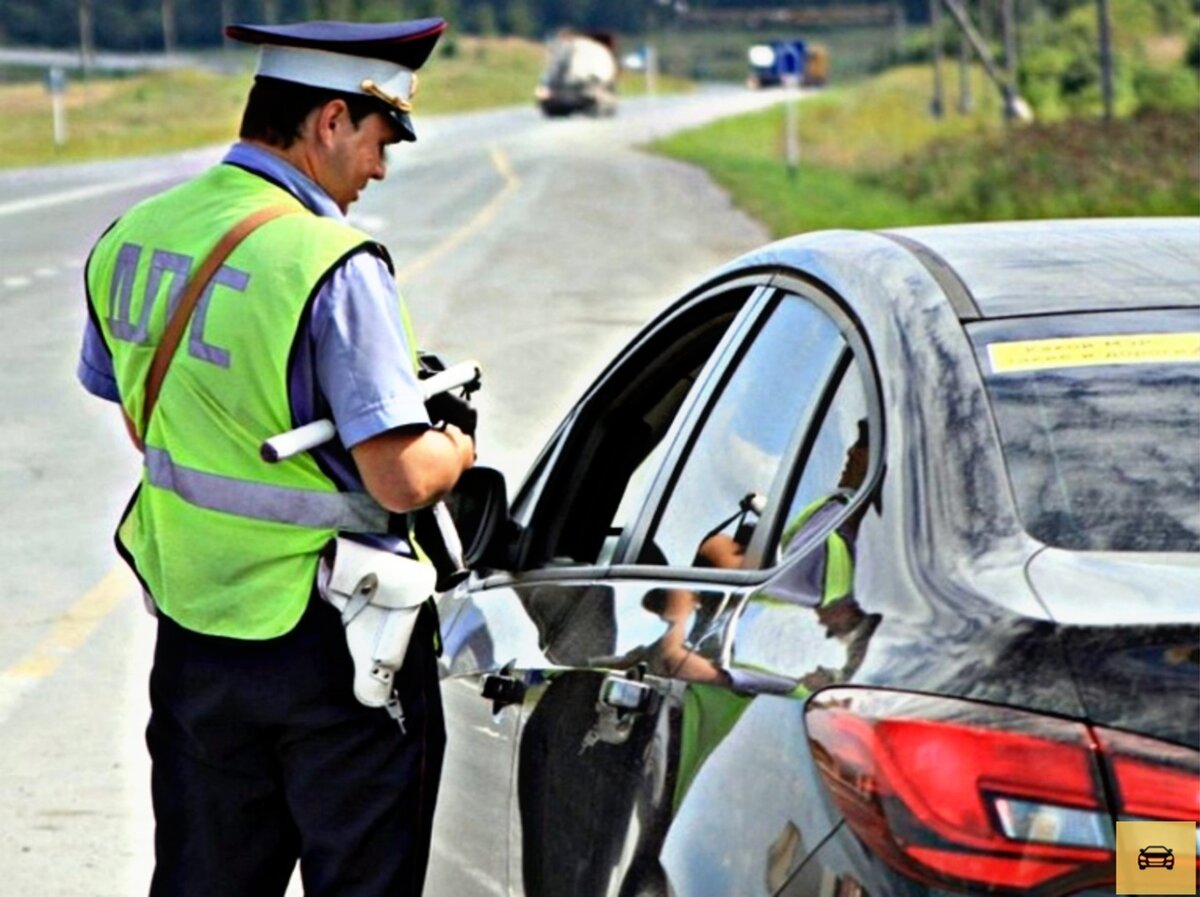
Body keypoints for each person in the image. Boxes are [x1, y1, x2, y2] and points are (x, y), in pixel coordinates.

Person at [75, 17, 474, 896]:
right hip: (335, 640)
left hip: (195, 627)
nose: (379, 168)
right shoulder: (332, 259)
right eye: (379, 139)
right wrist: (455, 443)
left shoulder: (136, 231)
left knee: (206, 878)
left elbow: (149, 417)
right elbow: (399, 478)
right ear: (330, 121)